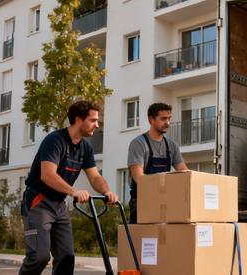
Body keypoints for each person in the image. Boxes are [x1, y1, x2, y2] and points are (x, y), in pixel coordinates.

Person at [19, 101, 118, 275]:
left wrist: (106, 191)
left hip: (59, 205)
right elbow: (47, 175)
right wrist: (74, 192)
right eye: (93, 120)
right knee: (39, 257)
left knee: (66, 257)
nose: (97, 125)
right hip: (38, 202)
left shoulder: (85, 148)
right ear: (79, 119)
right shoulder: (55, 140)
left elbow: (95, 177)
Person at [127, 103, 188, 224]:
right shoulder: (138, 143)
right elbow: (139, 178)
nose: (167, 123)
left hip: (165, 203)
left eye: (169, 118)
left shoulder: (172, 146)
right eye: (163, 119)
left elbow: (184, 173)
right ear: (151, 119)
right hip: (142, 203)